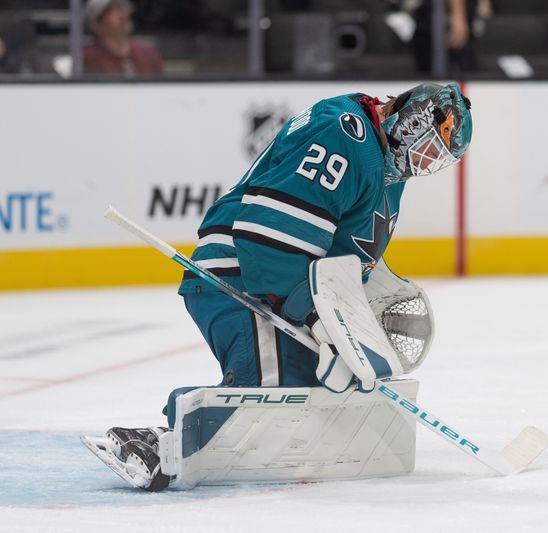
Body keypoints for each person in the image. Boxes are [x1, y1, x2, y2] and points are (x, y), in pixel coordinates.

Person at [89, 82, 473, 491]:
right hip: (241, 279)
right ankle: (158, 444)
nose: (425, 163)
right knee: (273, 403)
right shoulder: (344, 135)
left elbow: (346, 254)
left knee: (323, 403)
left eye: (437, 160)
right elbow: (269, 237)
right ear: (408, 124)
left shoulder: (387, 164)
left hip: (285, 291)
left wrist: (354, 324)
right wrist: (319, 320)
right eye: (427, 148)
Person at [83, 0, 163, 76]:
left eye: (122, 8)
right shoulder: (88, 58)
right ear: (97, 25)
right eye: (111, 11)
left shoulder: (148, 54)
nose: (122, 15)